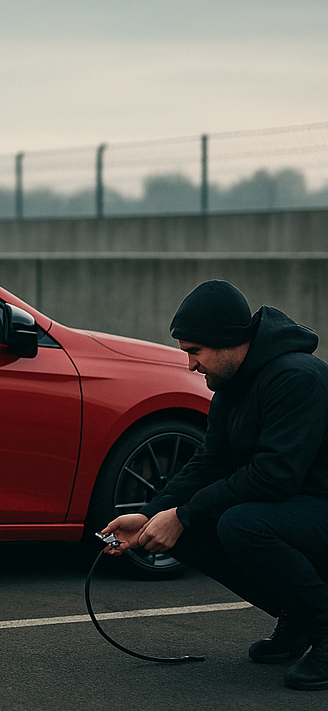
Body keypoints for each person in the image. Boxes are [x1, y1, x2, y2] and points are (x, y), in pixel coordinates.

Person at [102, 280, 328, 690]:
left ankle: (323, 622)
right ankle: (300, 617)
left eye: (195, 352)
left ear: (227, 342)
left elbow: (274, 475)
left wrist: (183, 514)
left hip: (317, 508)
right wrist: (154, 515)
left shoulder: (298, 378)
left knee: (239, 524)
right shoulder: (231, 384)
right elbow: (209, 462)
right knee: (183, 533)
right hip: (297, 511)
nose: (190, 365)